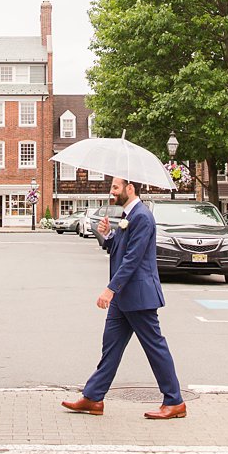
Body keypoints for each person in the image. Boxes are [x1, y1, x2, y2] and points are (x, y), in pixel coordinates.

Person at [62, 175, 185, 420]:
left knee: (155, 347)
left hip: (139, 295)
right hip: (123, 298)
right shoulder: (128, 216)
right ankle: (93, 397)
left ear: (130, 188)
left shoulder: (142, 217)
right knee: (111, 347)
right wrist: (106, 235)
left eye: (115, 187)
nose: (112, 192)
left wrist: (110, 289)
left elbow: (133, 259)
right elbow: (118, 249)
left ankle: (175, 402)